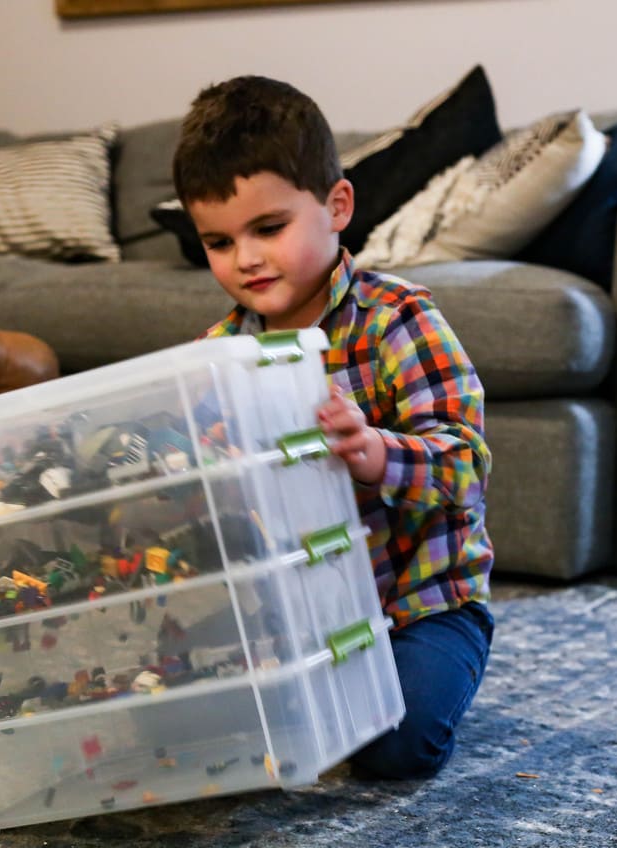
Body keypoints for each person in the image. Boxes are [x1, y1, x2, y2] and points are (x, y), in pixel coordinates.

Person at [173, 75, 494, 779]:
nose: (246, 259)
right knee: (175, 709)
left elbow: (465, 467)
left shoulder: (397, 319)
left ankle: (413, 686)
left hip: (422, 604)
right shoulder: (216, 356)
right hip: (294, 614)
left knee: (395, 747)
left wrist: (377, 453)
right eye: (219, 242)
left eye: (268, 228)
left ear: (337, 206)